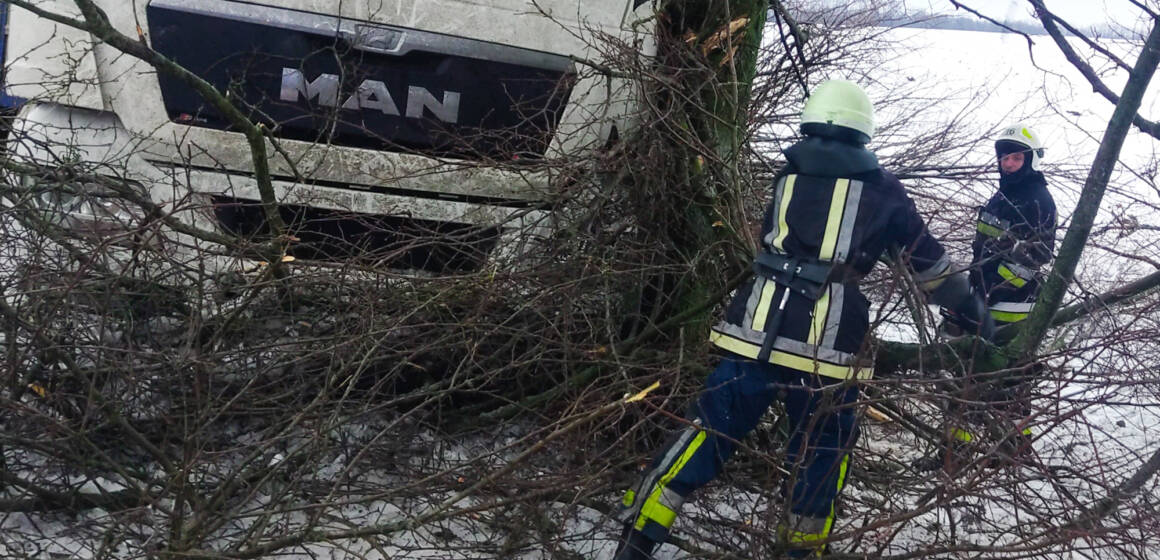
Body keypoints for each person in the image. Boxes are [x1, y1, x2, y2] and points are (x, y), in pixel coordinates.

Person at [612, 79, 994, 560]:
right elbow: (930, 266)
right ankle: (801, 550)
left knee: (706, 431)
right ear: (862, 131)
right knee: (821, 454)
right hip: (826, 351)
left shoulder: (786, 175)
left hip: (754, 331)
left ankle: (638, 536)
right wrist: (971, 309)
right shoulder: (882, 188)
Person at [931, 123, 1057, 466]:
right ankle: (958, 449)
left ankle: (1015, 449)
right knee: (966, 372)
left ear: (1031, 160)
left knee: (1009, 378)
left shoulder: (1038, 201)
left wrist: (993, 289)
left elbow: (1036, 257)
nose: (1009, 164)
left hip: (1012, 306)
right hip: (982, 296)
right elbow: (983, 247)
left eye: (1016, 158)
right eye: (1005, 158)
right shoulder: (1001, 197)